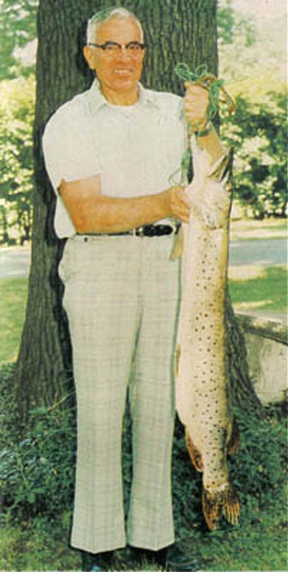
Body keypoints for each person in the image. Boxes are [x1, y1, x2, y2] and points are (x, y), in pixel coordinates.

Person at [43, 7, 226, 571]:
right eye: (111, 46)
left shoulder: (172, 110)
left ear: (145, 51)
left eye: (134, 46)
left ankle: (155, 536)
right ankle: (97, 544)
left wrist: (207, 121)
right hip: (100, 266)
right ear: (89, 53)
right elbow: (87, 211)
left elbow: (217, 167)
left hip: (168, 264)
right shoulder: (69, 121)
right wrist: (164, 202)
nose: (124, 58)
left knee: (157, 403)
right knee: (99, 410)